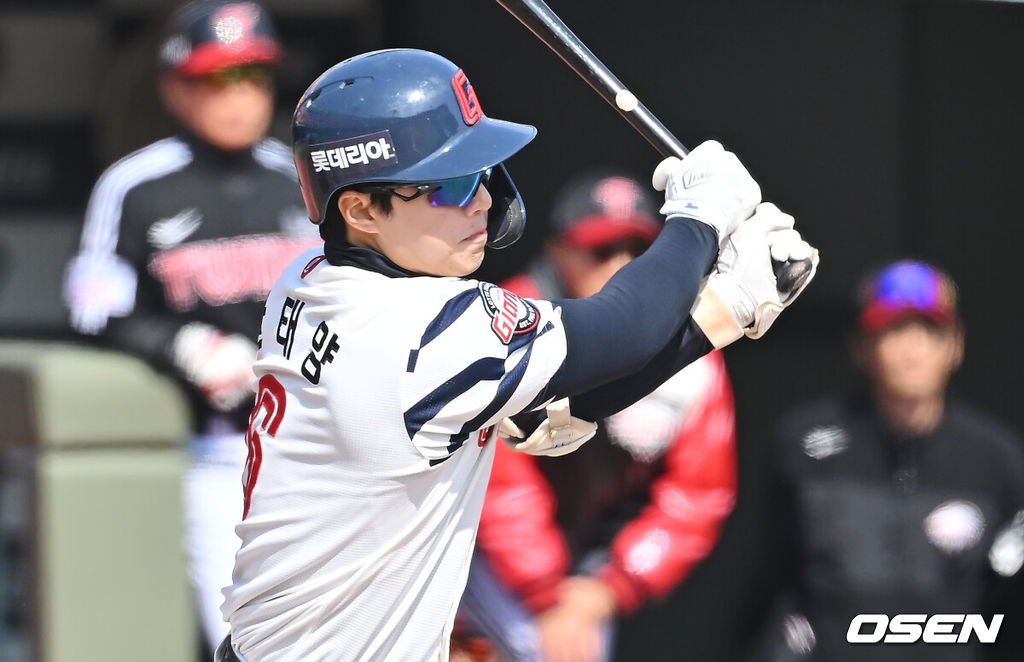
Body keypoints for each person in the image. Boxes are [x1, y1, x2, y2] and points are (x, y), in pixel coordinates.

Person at [217, 47, 818, 662]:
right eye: (448, 185)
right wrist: (699, 220)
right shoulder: (419, 330)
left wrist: (726, 308)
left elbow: (558, 392)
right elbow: (625, 329)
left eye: (479, 173)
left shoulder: (310, 276)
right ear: (362, 209)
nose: (480, 200)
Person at [61, 0, 319, 652]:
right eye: (215, 79)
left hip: (319, 442)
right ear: (174, 87)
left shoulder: (300, 179)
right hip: (216, 448)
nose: (238, 97)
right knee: (247, 638)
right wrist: (183, 343)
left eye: (252, 77)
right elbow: (94, 307)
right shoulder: (137, 185)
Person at [454, 170, 739, 662]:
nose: (623, 264)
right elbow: (499, 487)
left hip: (586, 573)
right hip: (472, 551)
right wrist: (546, 596)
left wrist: (608, 589)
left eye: (637, 249)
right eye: (602, 251)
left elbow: (697, 496)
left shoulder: (693, 351)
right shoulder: (505, 320)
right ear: (560, 252)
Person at [747, 259, 1024, 662]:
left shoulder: (998, 461)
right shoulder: (803, 446)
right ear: (861, 344)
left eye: (930, 329)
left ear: (956, 345)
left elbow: (1010, 608)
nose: (913, 347)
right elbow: (771, 590)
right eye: (893, 328)